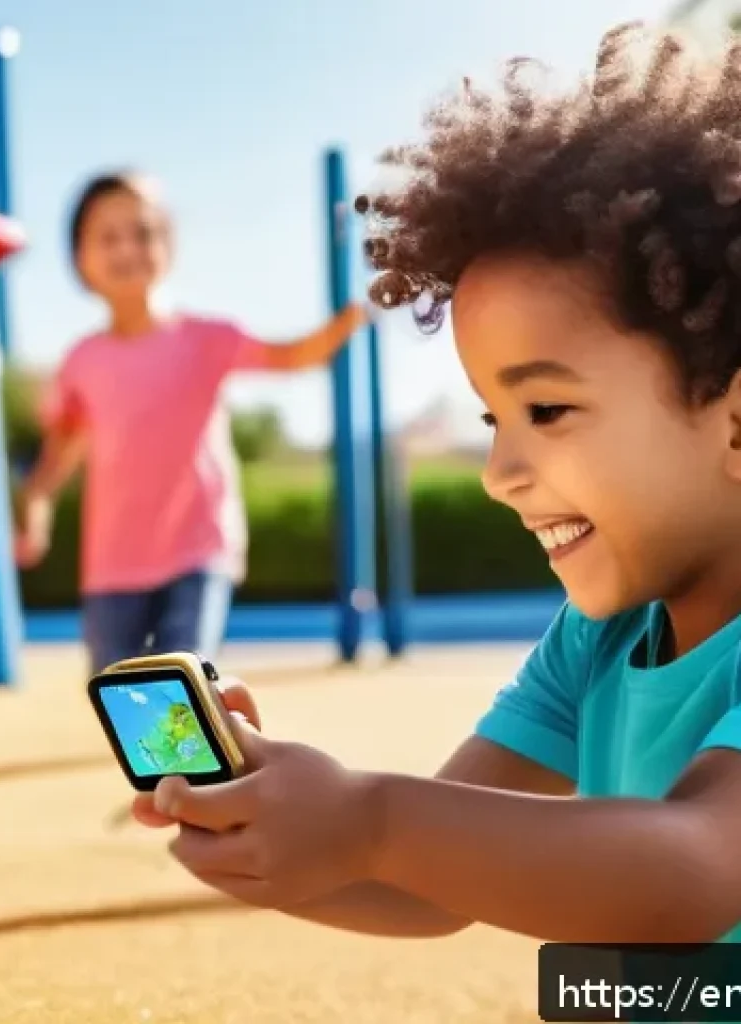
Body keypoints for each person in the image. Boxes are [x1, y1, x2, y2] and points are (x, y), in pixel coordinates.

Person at [131, 21, 741, 955]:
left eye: (546, 409)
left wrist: (370, 820)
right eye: (494, 420)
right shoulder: (598, 638)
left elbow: (695, 870)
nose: (499, 476)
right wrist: (276, 822)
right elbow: (424, 893)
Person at [14, 172, 366, 675]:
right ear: (80, 258)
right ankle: (191, 731)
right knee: (116, 688)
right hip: (113, 564)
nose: (127, 248)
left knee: (184, 681)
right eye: (108, 237)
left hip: (198, 549)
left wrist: (348, 320)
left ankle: (200, 732)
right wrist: (37, 499)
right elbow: (64, 442)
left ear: (168, 244)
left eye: (143, 233)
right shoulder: (81, 361)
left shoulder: (207, 338)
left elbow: (290, 356)